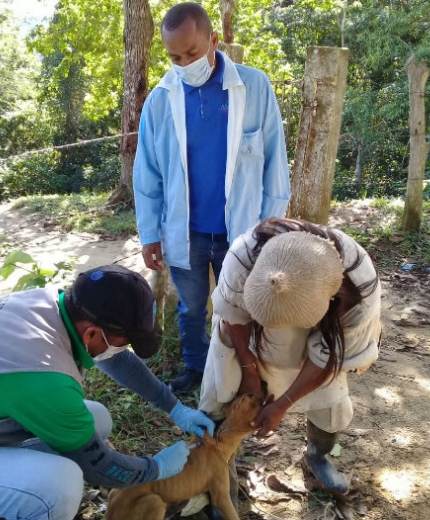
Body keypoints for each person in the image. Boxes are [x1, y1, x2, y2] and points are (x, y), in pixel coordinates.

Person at [134, 2, 291, 394]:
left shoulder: (253, 87)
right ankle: (196, 367)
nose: (184, 63)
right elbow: (147, 174)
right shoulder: (160, 100)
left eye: (191, 52)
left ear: (214, 41)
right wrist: (149, 234)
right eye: (174, 56)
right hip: (184, 230)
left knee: (241, 306)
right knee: (190, 308)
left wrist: (271, 228)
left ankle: (244, 374)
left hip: (241, 231)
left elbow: (274, 162)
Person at [0, 265, 216, 520]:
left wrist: (174, 407)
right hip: (33, 389)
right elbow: (99, 467)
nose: (120, 350)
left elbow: (118, 361)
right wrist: (156, 468)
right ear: (92, 333)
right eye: (122, 344)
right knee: (60, 486)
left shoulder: (50, 305)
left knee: (98, 418)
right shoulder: (45, 378)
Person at [199, 217, 381, 495]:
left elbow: (325, 358)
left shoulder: (360, 286)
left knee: (329, 401)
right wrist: (249, 373)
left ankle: (317, 456)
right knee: (222, 389)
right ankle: (218, 473)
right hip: (250, 334)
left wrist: (282, 404)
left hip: (325, 336)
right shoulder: (244, 255)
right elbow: (234, 318)